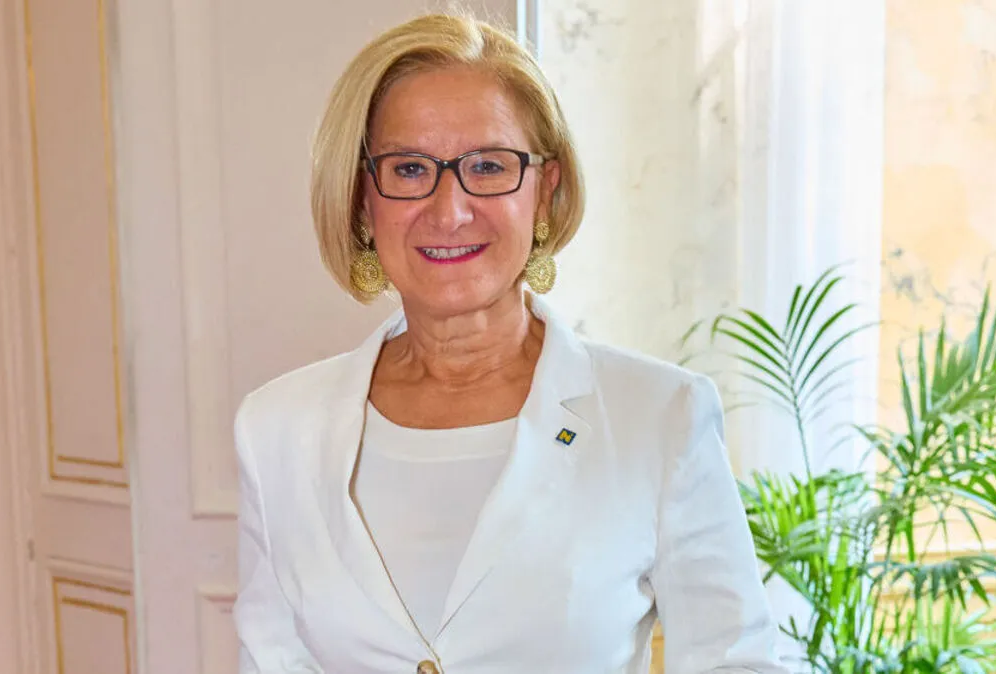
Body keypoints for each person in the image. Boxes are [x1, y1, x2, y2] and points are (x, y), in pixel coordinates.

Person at [233, 12, 785, 674]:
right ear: (361, 200)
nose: (449, 210)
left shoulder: (660, 417)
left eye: (489, 166)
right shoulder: (276, 430)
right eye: (409, 169)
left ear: (545, 193)